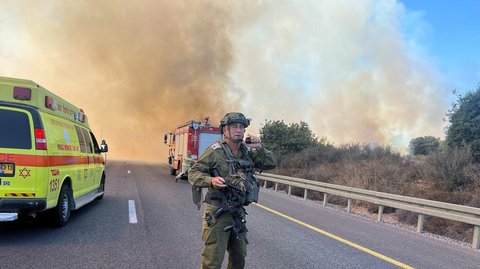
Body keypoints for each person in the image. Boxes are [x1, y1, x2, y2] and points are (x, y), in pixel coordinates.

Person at [188, 112, 277, 269]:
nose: (238, 130)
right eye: (234, 126)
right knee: (213, 261)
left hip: (237, 212)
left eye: (241, 127)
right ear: (225, 130)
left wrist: (260, 147)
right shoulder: (215, 151)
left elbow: (270, 163)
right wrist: (211, 180)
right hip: (218, 213)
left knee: (238, 259)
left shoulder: (247, 151)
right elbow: (193, 173)